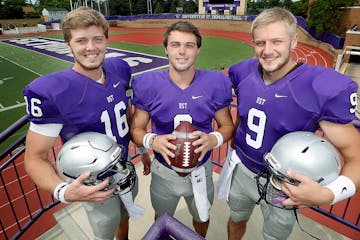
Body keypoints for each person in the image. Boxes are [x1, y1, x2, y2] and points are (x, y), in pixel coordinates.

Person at [218, 7, 360, 240]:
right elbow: (243, 114)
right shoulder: (242, 71)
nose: (267, 50)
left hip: (284, 184)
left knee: (274, 237)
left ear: (294, 41)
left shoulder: (316, 86)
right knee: (236, 219)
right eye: (260, 43)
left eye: (276, 41)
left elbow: (357, 157)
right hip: (242, 170)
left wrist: (328, 194)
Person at [23, 7, 150, 240]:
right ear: (68, 45)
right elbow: (34, 157)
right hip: (93, 183)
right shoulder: (53, 91)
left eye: (97, 39)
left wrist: (142, 150)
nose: (91, 48)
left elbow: (128, 116)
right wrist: (64, 191)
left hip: (124, 168)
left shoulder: (119, 69)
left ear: (106, 41)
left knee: (125, 217)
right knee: (104, 232)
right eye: (81, 40)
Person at [130, 21, 234, 237]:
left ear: (198, 49)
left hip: (201, 170)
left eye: (189, 45)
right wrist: (152, 141)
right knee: (162, 218)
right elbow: (137, 129)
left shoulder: (215, 82)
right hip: (163, 172)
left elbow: (227, 126)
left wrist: (213, 139)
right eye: (175, 44)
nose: (182, 51)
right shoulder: (148, 83)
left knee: (202, 217)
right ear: (166, 48)